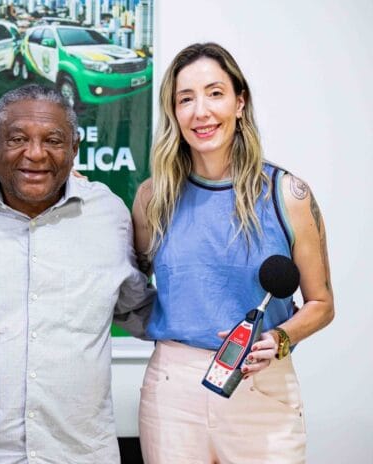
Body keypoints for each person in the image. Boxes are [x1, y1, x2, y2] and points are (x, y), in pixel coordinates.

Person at [0, 84, 156, 463]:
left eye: (53, 140)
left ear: (74, 148)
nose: (36, 153)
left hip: (79, 454)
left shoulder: (109, 216)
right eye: (17, 139)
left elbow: (139, 311)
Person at [132, 42, 335, 463]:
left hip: (261, 387)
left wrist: (279, 339)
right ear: (173, 112)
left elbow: (321, 303)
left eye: (215, 93)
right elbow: (131, 287)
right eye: (185, 99)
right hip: (172, 394)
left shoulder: (288, 194)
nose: (201, 112)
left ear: (240, 102)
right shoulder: (154, 198)